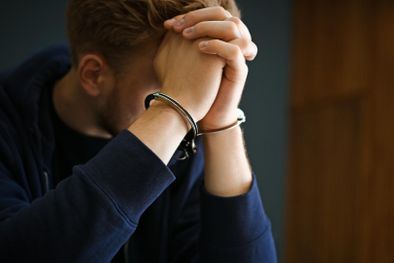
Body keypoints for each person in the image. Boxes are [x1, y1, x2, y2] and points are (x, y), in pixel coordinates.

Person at [0, 0, 276, 262]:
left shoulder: (189, 132)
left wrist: (221, 122)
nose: (195, 107)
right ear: (94, 75)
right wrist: (174, 105)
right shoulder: (9, 124)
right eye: (171, 86)